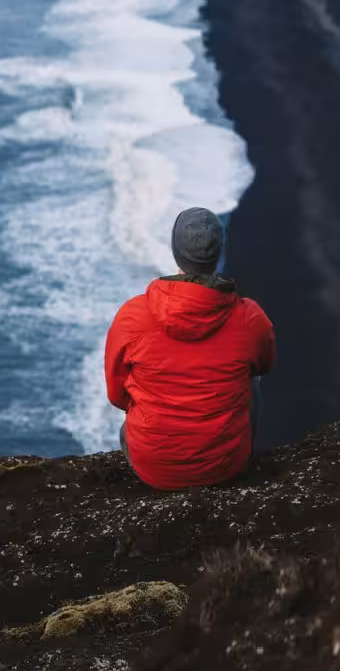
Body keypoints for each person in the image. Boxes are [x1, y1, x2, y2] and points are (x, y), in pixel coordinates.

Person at [104, 206, 275, 491]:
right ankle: (235, 452)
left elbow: (116, 395)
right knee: (251, 376)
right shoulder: (250, 318)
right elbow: (265, 363)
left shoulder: (132, 316)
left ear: (174, 251)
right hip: (227, 466)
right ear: (219, 251)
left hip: (152, 468)